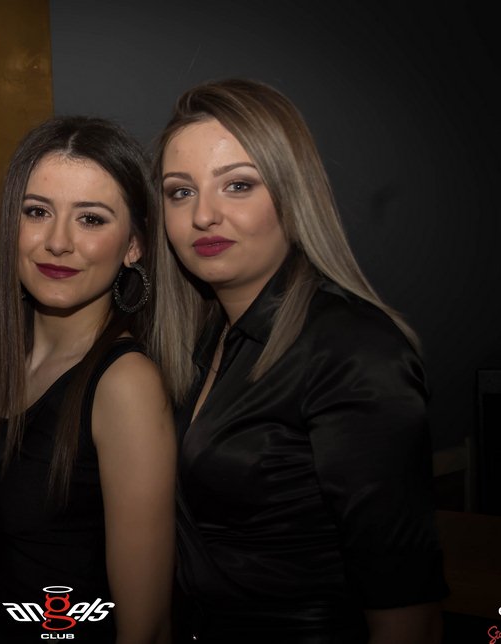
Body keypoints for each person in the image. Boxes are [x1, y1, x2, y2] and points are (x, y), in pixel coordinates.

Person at [150, 79, 449, 643]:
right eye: (180, 192)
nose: (204, 215)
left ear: (293, 193)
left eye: (238, 185)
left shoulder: (355, 349)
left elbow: (407, 608)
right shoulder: (203, 340)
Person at [0, 116, 175, 643]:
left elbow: (143, 629)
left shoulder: (125, 385)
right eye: (37, 212)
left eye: (91, 219)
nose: (58, 242)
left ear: (134, 245)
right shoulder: (8, 365)